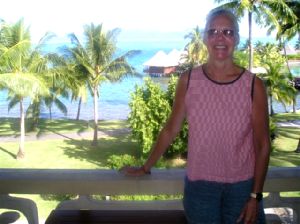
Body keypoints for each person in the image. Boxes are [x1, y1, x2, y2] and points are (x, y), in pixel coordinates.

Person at [120, 7, 271, 224]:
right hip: (200, 189)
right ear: (205, 38)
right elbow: (171, 129)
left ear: (237, 38)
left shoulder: (253, 85)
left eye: (227, 32)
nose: (220, 38)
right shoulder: (188, 81)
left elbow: (263, 144)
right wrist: (146, 167)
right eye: (213, 31)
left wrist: (255, 196)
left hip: (242, 188)